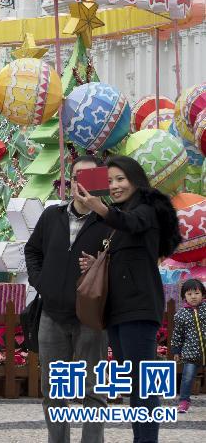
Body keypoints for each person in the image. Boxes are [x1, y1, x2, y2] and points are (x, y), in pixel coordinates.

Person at [76, 155, 181, 443]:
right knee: (133, 384)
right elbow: (126, 256)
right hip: (118, 309)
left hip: (139, 308)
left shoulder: (147, 209)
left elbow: (132, 224)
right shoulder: (118, 218)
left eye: (120, 179)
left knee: (143, 383)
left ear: (135, 179)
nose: (114, 186)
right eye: (109, 181)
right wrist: (97, 263)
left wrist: (99, 207)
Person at [25, 155, 112, 443]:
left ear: (100, 182)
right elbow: (32, 250)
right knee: (53, 390)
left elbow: (126, 265)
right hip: (52, 314)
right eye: (76, 178)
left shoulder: (111, 221)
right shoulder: (53, 215)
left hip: (92, 316)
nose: (80, 184)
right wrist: (41, 281)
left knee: (93, 390)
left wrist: (102, 265)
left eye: (89, 178)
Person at [170, 278, 206, 414]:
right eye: (189, 294)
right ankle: (184, 401)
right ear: (184, 296)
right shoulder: (181, 315)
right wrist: (176, 351)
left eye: (197, 293)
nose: (193, 297)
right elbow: (177, 335)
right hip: (190, 353)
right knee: (187, 377)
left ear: (203, 294)